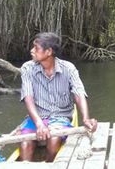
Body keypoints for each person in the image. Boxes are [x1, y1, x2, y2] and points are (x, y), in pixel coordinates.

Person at [19, 32, 97, 162]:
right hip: (36, 118)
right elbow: (28, 97)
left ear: (49, 51)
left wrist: (86, 118)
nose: (32, 51)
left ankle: (50, 164)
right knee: (25, 143)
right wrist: (39, 124)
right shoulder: (28, 68)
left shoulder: (68, 68)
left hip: (60, 118)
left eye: (36, 48)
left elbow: (79, 93)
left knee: (54, 140)